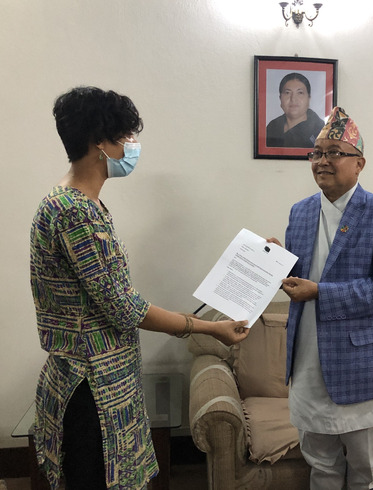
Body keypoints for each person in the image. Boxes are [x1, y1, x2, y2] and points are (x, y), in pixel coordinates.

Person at [30, 86, 250, 490]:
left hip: (102, 378)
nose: (132, 147)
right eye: (126, 138)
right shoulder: (76, 212)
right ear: (100, 143)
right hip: (91, 386)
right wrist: (210, 328)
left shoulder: (76, 204)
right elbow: (123, 309)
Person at [267, 107, 373, 489]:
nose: (322, 161)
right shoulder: (300, 212)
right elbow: (299, 276)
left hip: (358, 362)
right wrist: (274, 262)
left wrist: (320, 292)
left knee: (364, 468)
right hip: (307, 358)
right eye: (316, 153)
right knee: (320, 464)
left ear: (359, 163)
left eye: (333, 152)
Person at [266, 72, 325, 148]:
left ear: (309, 98)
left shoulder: (320, 130)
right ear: (280, 98)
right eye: (287, 93)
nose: (293, 99)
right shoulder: (272, 127)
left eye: (300, 93)